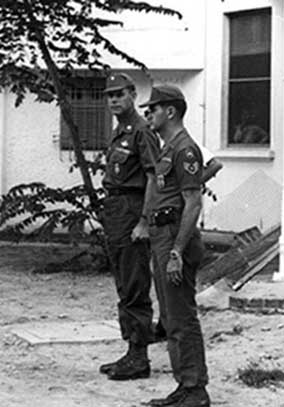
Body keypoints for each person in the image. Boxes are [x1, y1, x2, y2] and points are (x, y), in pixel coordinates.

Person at [141, 85, 210, 407]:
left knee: (181, 317)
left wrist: (176, 252)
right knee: (170, 317)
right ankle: (185, 385)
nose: (149, 115)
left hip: (173, 238)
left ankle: (195, 389)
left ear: (170, 111)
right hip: (162, 235)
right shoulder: (169, 148)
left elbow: (193, 203)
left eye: (153, 109)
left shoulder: (185, 149)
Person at [99, 73, 159, 381]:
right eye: (109, 95)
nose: (113, 100)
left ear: (133, 94)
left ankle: (140, 357)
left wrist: (145, 221)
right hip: (116, 209)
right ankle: (131, 349)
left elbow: (152, 177)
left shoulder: (141, 132)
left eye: (119, 94)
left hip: (133, 209)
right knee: (124, 280)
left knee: (135, 281)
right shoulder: (119, 131)